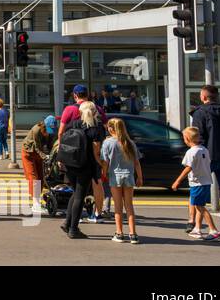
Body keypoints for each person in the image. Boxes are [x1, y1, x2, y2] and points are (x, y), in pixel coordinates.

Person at [191, 85, 220, 236]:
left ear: (204, 97)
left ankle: (193, 223)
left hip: (206, 157)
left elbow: (197, 137)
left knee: (197, 188)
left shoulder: (200, 113)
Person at [58, 101, 106, 239]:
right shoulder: (96, 128)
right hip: (85, 166)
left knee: (76, 193)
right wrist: (102, 165)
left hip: (70, 164)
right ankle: (73, 229)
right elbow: (97, 151)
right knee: (80, 195)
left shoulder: (73, 124)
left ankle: (67, 223)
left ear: (79, 112)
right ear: (95, 112)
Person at [172, 126, 220, 241]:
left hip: (197, 183)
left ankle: (213, 229)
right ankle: (197, 229)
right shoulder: (204, 149)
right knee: (199, 205)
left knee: (200, 207)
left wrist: (177, 181)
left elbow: (188, 168)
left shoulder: (191, 152)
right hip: (206, 182)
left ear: (187, 139)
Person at [102, 118, 143, 244]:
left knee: (118, 206)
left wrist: (104, 173)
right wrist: (140, 177)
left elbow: (105, 162)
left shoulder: (108, 143)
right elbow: (136, 162)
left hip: (115, 177)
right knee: (129, 205)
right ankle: (133, 234)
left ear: (111, 128)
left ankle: (119, 233)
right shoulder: (130, 142)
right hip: (129, 177)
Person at [20, 115, 56, 206]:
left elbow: (51, 145)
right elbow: (36, 148)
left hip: (39, 154)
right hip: (29, 153)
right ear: (44, 126)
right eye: (48, 130)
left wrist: (52, 156)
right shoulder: (36, 130)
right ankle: (35, 202)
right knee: (33, 176)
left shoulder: (52, 132)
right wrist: (45, 156)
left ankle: (37, 198)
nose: (49, 133)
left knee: (41, 176)